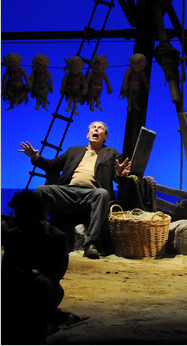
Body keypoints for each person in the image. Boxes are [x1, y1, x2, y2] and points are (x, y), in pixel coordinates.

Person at [19, 121, 131, 259]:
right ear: (87, 134)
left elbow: (117, 178)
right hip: (67, 191)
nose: (96, 129)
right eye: (93, 127)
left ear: (105, 137)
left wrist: (120, 174)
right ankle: (35, 236)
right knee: (41, 190)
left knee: (102, 194)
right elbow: (52, 166)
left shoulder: (112, 153)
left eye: (100, 128)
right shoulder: (73, 150)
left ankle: (91, 244)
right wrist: (35, 157)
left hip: (91, 194)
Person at [1, 190, 69, 344]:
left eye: (19, 212)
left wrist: (28, 273)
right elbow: (7, 267)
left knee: (40, 284)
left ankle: (41, 328)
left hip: (46, 287)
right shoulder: (14, 235)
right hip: (18, 283)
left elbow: (56, 273)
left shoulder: (57, 238)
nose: (15, 216)